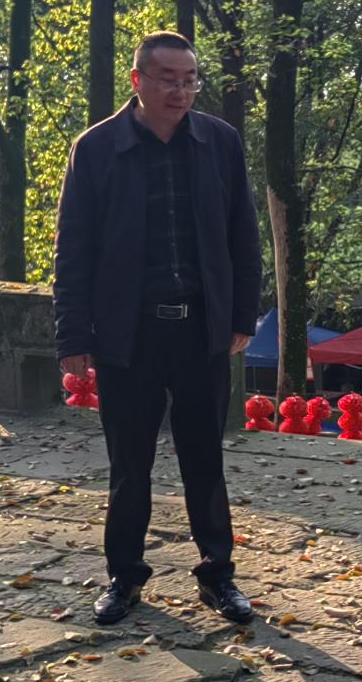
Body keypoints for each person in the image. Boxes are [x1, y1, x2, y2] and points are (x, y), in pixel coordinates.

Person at [53, 32, 262, 627]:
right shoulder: (97, 148)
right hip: (129, 333)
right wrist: (73, 335)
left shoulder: (219, 142)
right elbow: (74, 249)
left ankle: (218, 574)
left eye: (190, 79)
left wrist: (241, 316)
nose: (180, 90)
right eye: (168, 79)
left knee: (205, 462)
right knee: (129, 466)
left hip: (201, 330)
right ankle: (124, 577)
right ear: (138, 80)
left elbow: (243, 235)